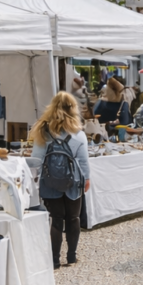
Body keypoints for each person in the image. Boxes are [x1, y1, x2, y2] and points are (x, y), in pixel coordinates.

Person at [29, 92, 91, 269]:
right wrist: (87, 179)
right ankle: (71, 256)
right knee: (73, 218)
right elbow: (83, 161)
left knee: (56, 219)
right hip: (74, 182)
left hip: (50, 182)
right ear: (73, 109)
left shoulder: (43, 131)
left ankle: (54, 259)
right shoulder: (78, 133)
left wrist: (36, 182)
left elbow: (36, 160)